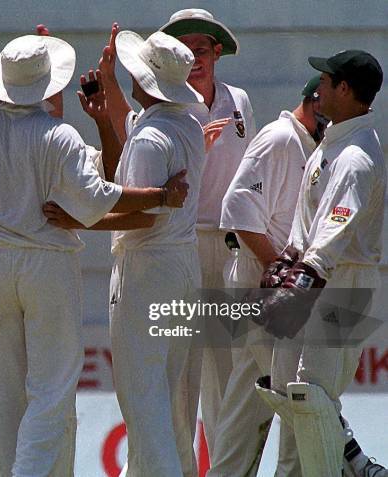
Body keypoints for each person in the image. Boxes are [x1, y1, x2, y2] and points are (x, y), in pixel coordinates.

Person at [0, 34, 189, 476]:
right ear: (46, 85)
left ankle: (16, 469)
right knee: (51, 386)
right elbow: (95, 197)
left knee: (7, 389)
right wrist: (161, 194)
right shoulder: (58, 135)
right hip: (45, 263)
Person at [45, 30, 206, 476]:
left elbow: (141, 215)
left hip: (147, 268)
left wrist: (79, 219)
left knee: (143, 398)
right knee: (168, 397)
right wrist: (102, 117)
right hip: (180, 266)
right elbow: (127, 181)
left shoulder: (154, 135)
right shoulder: (185, 124)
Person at [255, 50, 385, 477]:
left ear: (345, 90)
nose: (319, 88)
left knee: (311, 395)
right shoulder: (332, 146)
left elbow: (336, 226)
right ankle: (355, 465)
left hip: (344, 283)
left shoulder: (356, 157)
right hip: (320, 276)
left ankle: (347, 469)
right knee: (286, 388)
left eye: (326, 81)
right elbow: (307, 221)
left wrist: (304, 273)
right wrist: (290, 256)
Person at [208, 76, 323, 477]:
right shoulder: (280, 139)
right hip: (265, 292)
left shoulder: (309, 146)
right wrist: (282, 277)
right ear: (315, 104)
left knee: (251, 400)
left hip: (277, 293)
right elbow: (239, 212)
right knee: (292, 399)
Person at [159, 9, 258, 456]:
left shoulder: (238, 99)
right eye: (184, 51)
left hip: (228, 245)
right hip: (181, 247)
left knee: (228, 368)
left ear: (217, 52)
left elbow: (250, 176)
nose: (193, 59)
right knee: (181, 371)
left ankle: (224, 466)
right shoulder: (167, 105)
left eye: (200, 49)